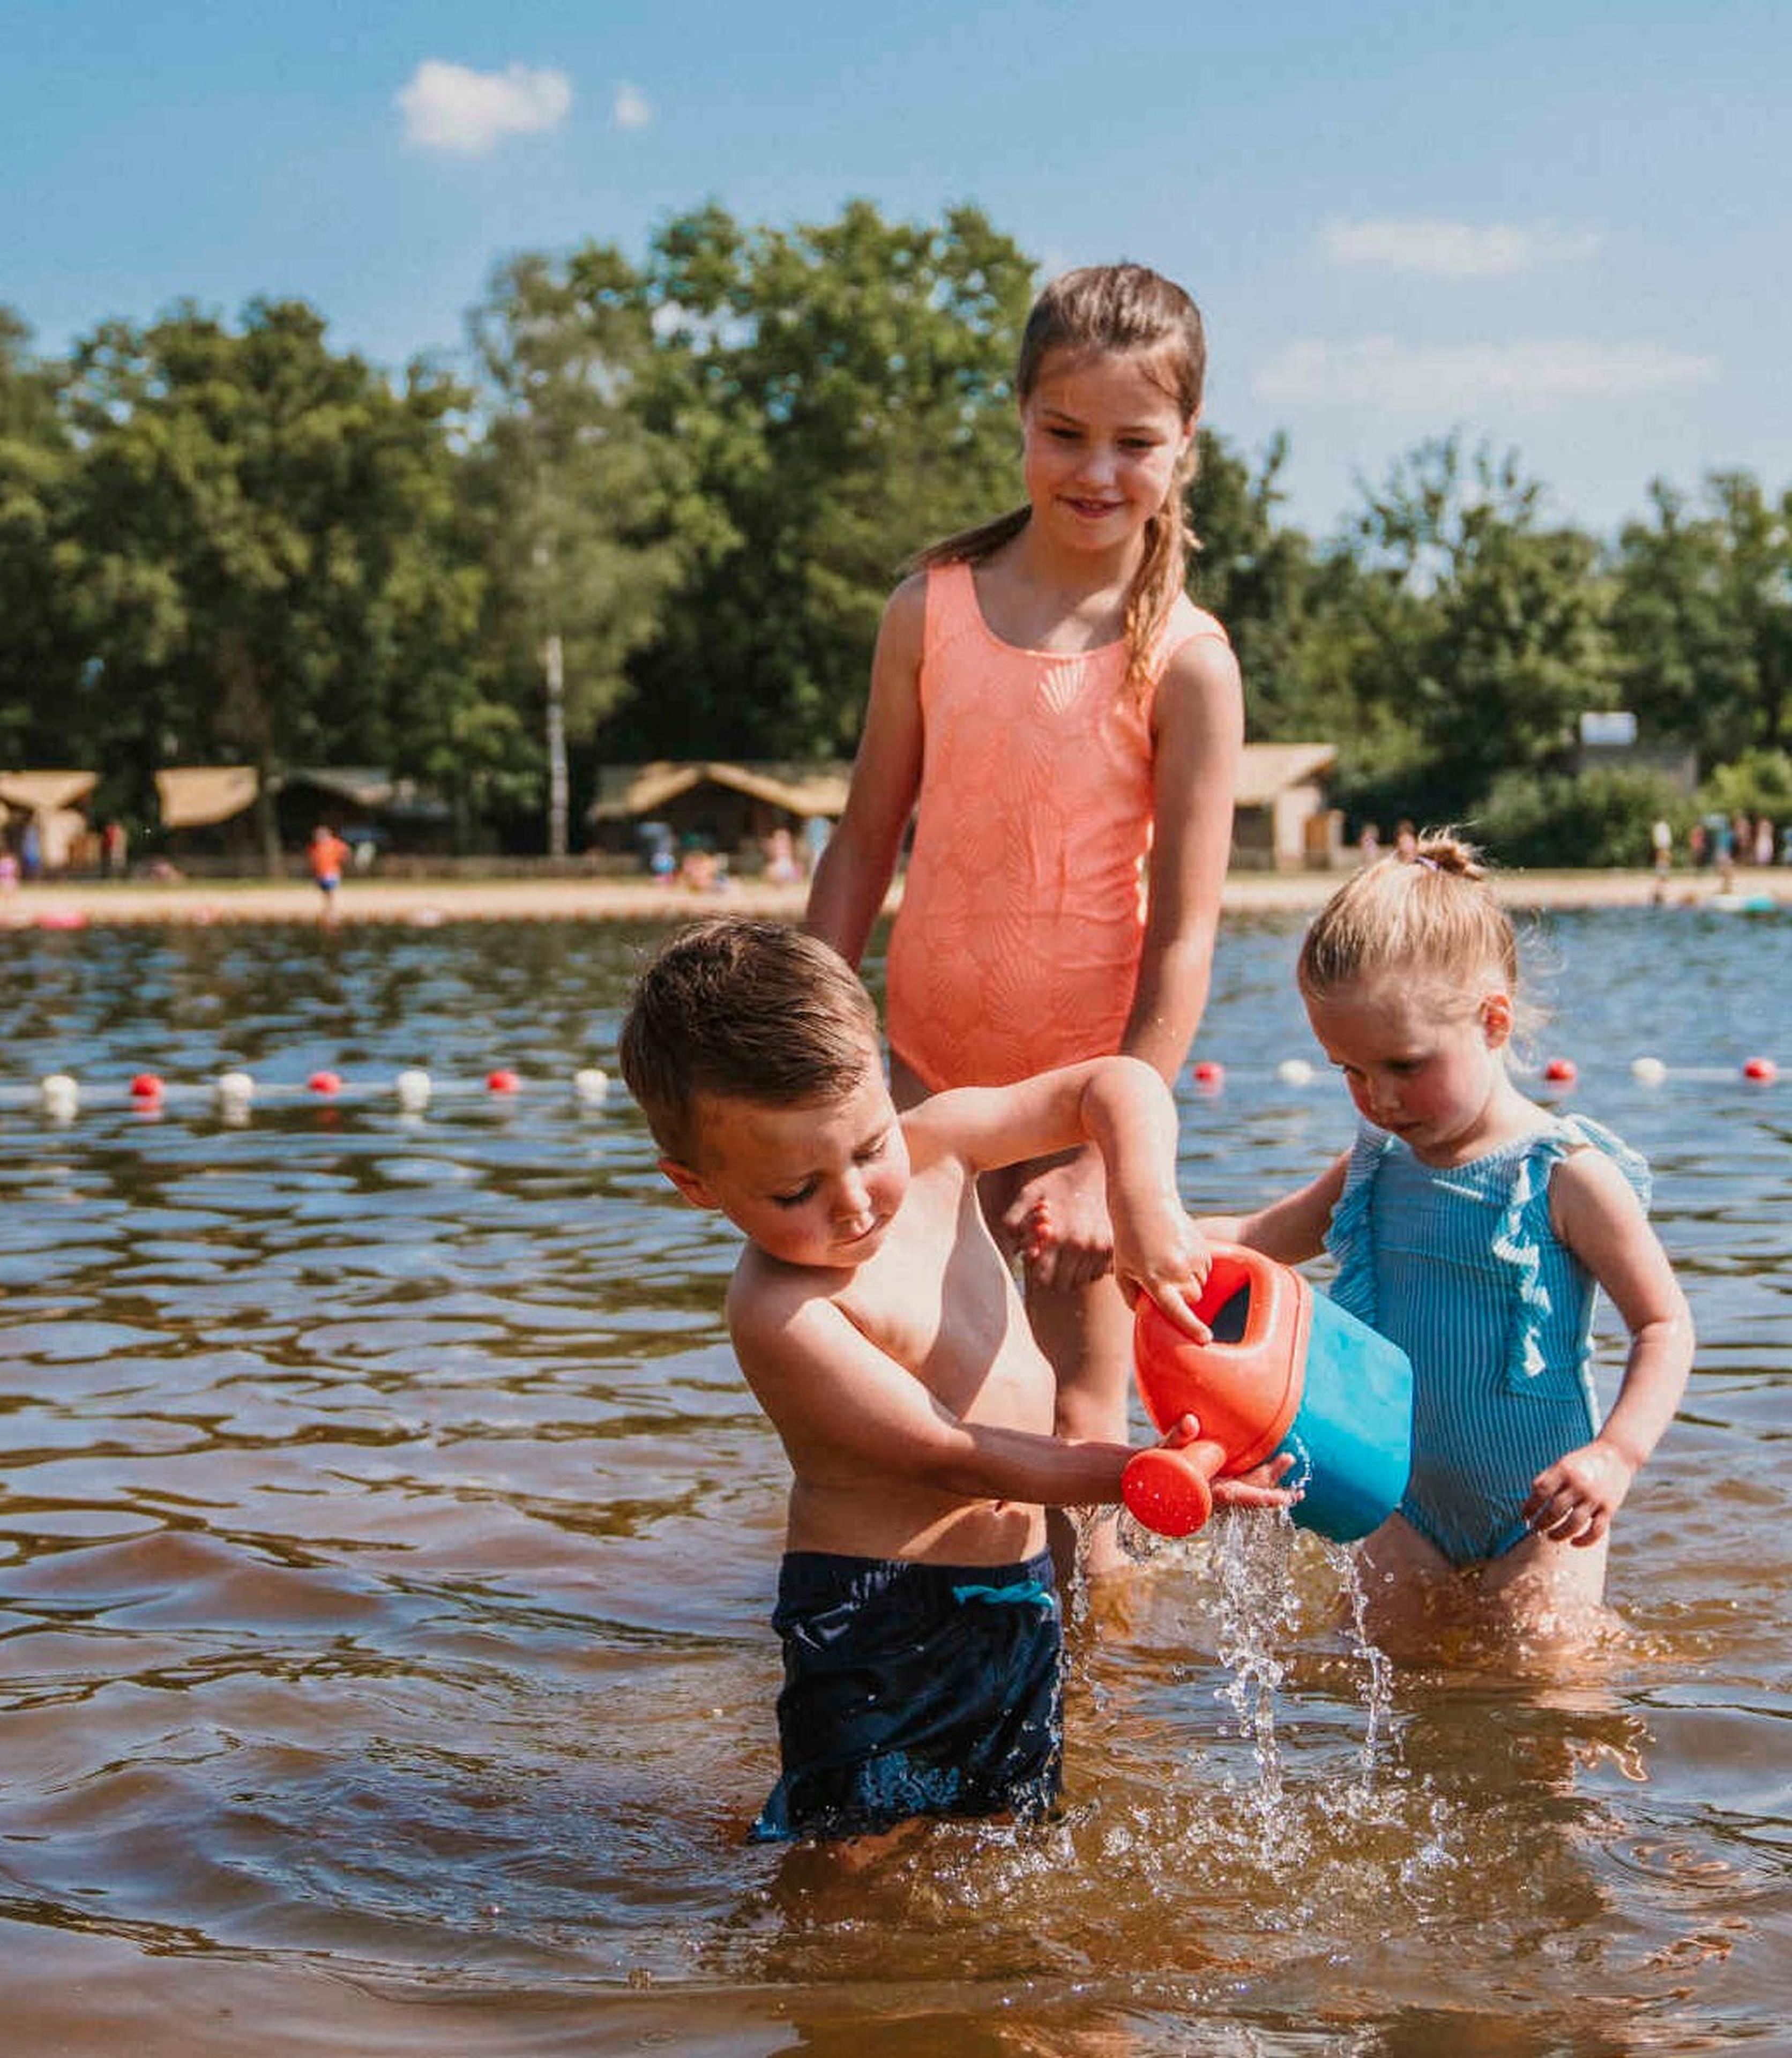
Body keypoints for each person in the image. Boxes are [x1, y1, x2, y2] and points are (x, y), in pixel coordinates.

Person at [617, 918, 1293, 1849]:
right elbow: (950, 1454)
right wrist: (1140, 1473)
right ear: (696, 1185)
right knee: (846, 1865)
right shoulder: (779, 1310)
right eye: (794, 1192)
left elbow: (1116, 1082)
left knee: (1011, 1837)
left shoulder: (936, 1147)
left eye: (865, 1148)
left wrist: (1137, 1197)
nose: (853, 1201)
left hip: (1016, 1599)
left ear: (886, 1094)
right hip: (873, 1622)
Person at [804, 263, 1243, 1575]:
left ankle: (1094, 1722)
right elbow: (863, 837)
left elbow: (1181, 935)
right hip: (921, 1086)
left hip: (1090, 1109)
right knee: (917, 1401)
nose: (1094, 469)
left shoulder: (1187, 660)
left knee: (1081, 1432)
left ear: (1185, 449)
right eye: (1064, 433)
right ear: (1017, 422)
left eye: (1132, 442)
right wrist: (804, 1049)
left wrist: (1111, 1156)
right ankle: (936, 1655)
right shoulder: (927, 608)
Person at [1202, 837, 1693, 1655]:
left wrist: (1616, 1455)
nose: (1380, 1098)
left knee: (1549, 1686)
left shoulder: (1563, 1176)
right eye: (1349, 1071)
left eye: (1404, 1064)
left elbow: (1665, 1326)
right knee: (1389, 1680)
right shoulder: (1373, 1166)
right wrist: (1142, 1232)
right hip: (1404, 1503)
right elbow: (1256, 1242)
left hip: (1542, 1512)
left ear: (1493, 1020)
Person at [306, 824, 350, 927]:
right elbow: (312, 859)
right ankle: (328, 910)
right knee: (325, 892)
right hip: (320, 873)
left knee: (331, 891)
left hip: (332, 873)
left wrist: (342, 860)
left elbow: (345, 851)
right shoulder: (315, 847)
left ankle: (332, 911)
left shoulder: (334, 844)